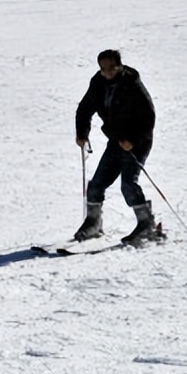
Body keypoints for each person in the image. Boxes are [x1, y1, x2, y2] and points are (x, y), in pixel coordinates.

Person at [73, 50, 161, 245]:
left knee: (128, 184)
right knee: (96, 184)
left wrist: (133, 140)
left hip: (137, 141)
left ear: (119, 66)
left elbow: (148, 116)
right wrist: (82, 133)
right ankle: (93, 223)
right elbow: (85, 108)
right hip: (116, 140)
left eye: (110, 68)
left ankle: (147, 225)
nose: (107, 72)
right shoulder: (98, 83)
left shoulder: (132, 84)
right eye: (103, 69)